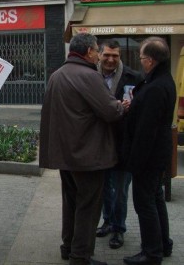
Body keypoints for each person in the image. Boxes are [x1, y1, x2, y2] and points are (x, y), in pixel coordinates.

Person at [39, 33, 126, 265]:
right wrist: (122, 105)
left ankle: (68, 247)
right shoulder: (89, 76)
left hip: (65, 155)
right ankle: (81, 256)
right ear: (88, 51)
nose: (99, 55)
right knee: (88, 207)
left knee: (71, 204)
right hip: (87, 156)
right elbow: (110, 111)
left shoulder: (57, 74)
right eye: (98, 50)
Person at [122, 36, 175, 265]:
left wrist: (135, 162)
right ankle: (163, 244)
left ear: (151, 60)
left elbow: (146, 131)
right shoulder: (163, 79)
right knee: (156, 199)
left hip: (148, 157)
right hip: (157, 154)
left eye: (142, 58)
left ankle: (151, 253)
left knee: (145, 204)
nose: (141, 61)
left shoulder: (155, 87)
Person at [96, 39, 142, 249]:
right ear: (99, 54)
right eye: (107, 55)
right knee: (105, 187)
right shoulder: (90, 76)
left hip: (124, 145)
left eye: (115, 55)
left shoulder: (135, 77)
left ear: (120, 56)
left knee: (121, 190)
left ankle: (118, 229)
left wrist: (130, 109)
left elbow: (142, 112)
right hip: (99, 144)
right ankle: (107, 221)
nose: (110, 59)